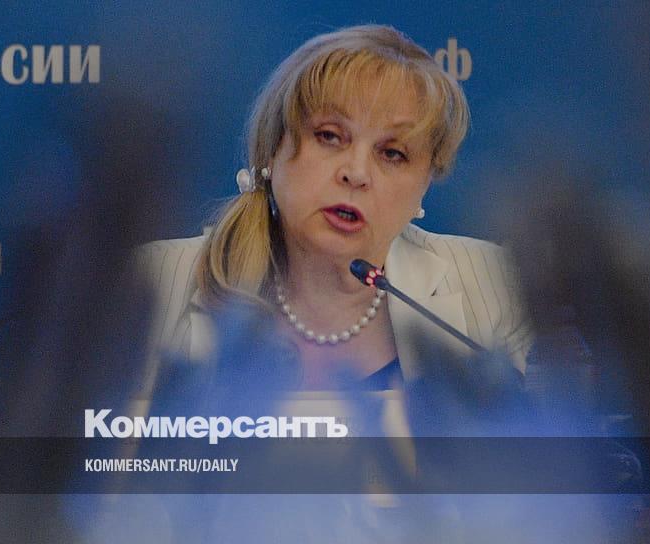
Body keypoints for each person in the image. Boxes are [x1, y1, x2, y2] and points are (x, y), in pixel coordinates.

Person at [135, 24, 532, 393]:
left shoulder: (493, 286)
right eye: (329, 136)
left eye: (392, 153)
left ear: (424, 184)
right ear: (272, 150)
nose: (356, 173)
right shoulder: (154, 282)